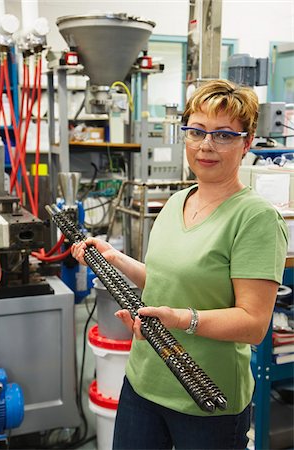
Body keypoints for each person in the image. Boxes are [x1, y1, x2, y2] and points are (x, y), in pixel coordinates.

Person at [72, 79, 288, 450]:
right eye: (196, 131)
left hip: (206, 398)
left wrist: (178, 318)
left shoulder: (256, 219)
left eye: (222, 135)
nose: (206, 145)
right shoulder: (176, 202)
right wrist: (115, 258)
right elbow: (162, 279)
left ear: (246, 142)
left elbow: (253, 324)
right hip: (144, 381)